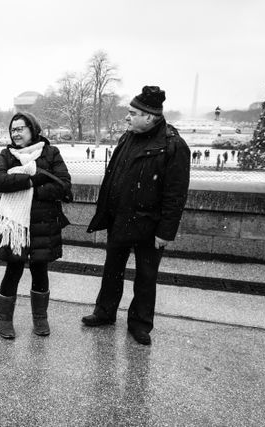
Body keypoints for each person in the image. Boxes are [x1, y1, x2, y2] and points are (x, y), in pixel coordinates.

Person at [81, 86, 190, 345]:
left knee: (146, 277)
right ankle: (105, 312)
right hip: (121, 218)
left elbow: (176, 194)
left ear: (149, 116)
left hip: (150, 226)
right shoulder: (127, 137)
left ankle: (140, 324)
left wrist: (166, 232)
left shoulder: (173, 145)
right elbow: (115, 176)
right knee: (112, 271)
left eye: (132, 113)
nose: (127, 118)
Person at [0, 112, 72, 339]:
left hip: (42, 223)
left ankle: (40, 318)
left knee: (40, 269)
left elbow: (63, 185)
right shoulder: (7, 154)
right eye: (13, 129)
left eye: (20, 128)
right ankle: (4, 319)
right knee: (13, 269)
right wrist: (31, 179)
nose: (16, 133)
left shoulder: (51, 153)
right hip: (15, 225)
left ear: (33, 129)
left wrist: (31, 190)